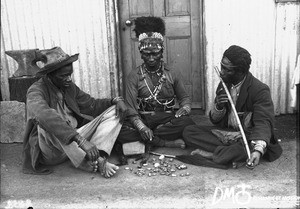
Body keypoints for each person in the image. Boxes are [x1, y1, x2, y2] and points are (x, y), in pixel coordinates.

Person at [22, 47, 128, 178]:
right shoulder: (36, 90)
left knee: (114, 111)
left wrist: (115, 100)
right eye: (63, 76)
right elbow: (42, 115)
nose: (68, 79)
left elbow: (92, 105)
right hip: (52, 150)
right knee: (46, 121)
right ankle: (94, 161)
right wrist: (81, 141)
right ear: (49, 75)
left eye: (69, 74)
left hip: (75, 142)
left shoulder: (69, 87)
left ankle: (97, 155)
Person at [183, 45, 282, 168]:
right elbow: (214, 121)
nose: (221, 72)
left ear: (240, 72)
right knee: (189, 131)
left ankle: (212, 154)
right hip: (227, 134)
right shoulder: (223, 84)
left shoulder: (259, 90)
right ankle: (229, 155)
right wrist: (218, 106)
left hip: (247, 137)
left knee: (248, 148)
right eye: (221, 67)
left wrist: (258, 150)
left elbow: (264, 122)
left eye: (227, 70)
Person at [117, 16, 195, 156]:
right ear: (141, 54)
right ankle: (165, 143)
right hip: (144, 118)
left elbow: (184, 98)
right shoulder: (134, 76)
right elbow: (130, 108)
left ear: (161, 52)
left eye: (155, 54)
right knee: (119, 129)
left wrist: (185, 108)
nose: (151, 58)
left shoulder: (172, 73)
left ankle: (151, 137)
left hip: (167, 119)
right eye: (147, 54)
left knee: (187, 123)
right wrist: (141, 127)